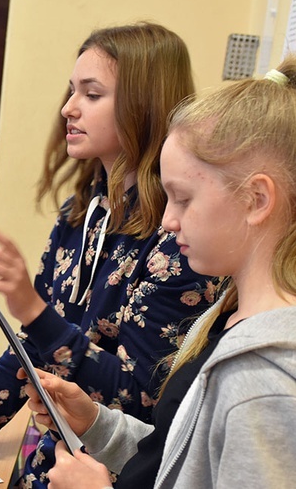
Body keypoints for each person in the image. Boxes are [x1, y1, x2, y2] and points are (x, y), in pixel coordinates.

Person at [0, 22, 221, 486]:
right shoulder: (80, 213)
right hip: (48, 460)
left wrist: (35, 314)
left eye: (91, 95)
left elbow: (140, 397)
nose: (67, 108)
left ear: (143, 106)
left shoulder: (179, 240)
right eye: (72, 91)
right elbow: (33, 348)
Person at [23, 58, 296, 489]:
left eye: (183, 199)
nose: (168, 220)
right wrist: (98, 424)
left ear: (257, 199)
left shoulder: (264, 381)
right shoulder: (226, 314)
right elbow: (180, 459)